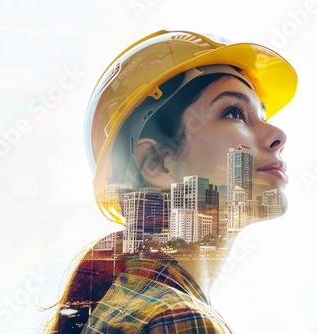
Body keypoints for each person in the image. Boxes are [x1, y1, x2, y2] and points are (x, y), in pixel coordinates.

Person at [48, 29, 297, 333]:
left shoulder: (127, 306)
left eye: (262, 115)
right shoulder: (177, 319)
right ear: (159, 164)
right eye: (233, 112)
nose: (278, 135)